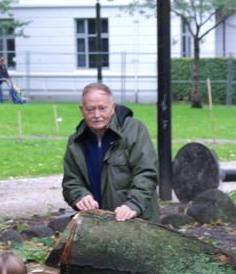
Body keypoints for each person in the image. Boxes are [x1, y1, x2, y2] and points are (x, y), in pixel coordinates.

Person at [61, 82, 161, 223]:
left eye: (102, 108)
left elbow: (147, 172)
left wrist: (134, 204)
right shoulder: (76, 142)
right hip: (96, 221)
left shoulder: (134, 129)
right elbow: (71, 182)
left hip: (137, 218)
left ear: (113, 107)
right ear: (82, 110)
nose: (97, 115)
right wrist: (80, 196)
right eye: (90, 109)